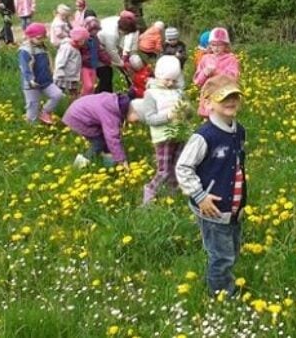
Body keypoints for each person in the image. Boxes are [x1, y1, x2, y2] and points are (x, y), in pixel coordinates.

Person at [175, 75, 246, 296]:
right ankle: (221, 294)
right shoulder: (204, 136)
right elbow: (183, 167)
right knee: (221, 255)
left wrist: (241, 201)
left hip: (231, 207)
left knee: (231, 250)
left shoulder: (239, 130)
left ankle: (224, 283)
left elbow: (236, 168)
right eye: (224, 97)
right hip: (212, 207)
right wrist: (200, 196)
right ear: (208, 103)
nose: (231, 101)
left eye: (234, 96)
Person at [134, 56, 190, 204]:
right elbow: (150, 118)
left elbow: (189, 112)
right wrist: (168, 116)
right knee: (164, 170)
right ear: (158, 75)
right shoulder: (151, 94)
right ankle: (150, 190)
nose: (170, 83)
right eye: (167, 80)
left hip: (180, 133)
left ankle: (173, 194)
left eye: (174, 80)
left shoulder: (178, 92)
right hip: (162, 136)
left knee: (177, 166)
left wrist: (186, 110)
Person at [62, 92, 144, 169]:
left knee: (105, 141)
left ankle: (109, 165)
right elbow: (112, 138)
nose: (136, 122)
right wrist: (122, 160)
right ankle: (79, 165)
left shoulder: (113, 102)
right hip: (78, 118)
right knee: (99, 143)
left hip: (78, 109)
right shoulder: (110, 116)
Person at [18, 23, 63, 125]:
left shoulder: (42, 47)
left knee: (57, 94)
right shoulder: (25, 51)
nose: (42, 40)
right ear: (30, 37)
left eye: (43, 38)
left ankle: (45, 112)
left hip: (45, 81)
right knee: (32, 106)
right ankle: (32, 128)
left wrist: (52, 73)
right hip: (32, 84)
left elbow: (47, 63)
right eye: (39, 38)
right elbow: (24, 67)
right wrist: (30, 79)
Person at [194, 27, 240, 117]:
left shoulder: (231, 59)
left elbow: (233, 79)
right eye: (213, 45)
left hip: (224, 96)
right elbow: (197, 82)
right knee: (209, 120)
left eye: (219, 45)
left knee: (223, 118)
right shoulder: (205, 58)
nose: (216, 48)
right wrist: (205, 73)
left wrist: (216, 72)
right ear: (209, 45)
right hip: (208, 95)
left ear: (226, 45)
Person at [97, 12, 140, 93]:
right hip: (96, 47)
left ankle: (102, 92)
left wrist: (120, 51)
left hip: (102, 45)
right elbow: (111, 51)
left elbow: (117, 45)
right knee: (105, 74)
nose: (127, 35)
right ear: (124, 30)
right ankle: (103, 95)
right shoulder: (111, 34)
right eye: (127, 33)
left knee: (107, 74)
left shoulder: (118, 21)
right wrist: (121, 63)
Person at [80, 17, 112, 96]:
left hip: (93, 65)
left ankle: (90, 100)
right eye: (96, 30)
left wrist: (107, 60)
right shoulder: (83, 40)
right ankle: (83, 100)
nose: (97, 32)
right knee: (88, 86)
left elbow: (99, 51)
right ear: (90, 29)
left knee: (92, 86)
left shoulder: (95, 38)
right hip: (85, 66)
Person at [54, 26, 89, 98]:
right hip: (63, 75)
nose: (85, 43)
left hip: (72, 75)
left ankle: (73, 106)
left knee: (74, 92)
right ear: (79, 40)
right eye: (84, 41)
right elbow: (60, 59)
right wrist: (60, 70)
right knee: (58, 93)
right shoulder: (67, 47)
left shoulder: (76, 47)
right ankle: (54, 106)